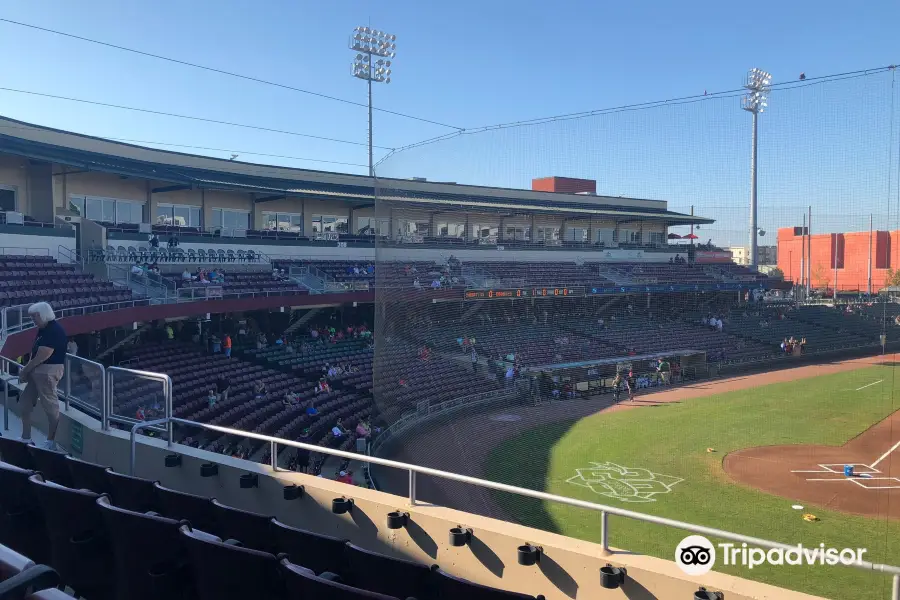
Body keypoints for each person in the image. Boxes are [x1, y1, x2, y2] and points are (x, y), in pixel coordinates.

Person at [18, 303, 67, 449]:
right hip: (37, 372)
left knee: (50, 408)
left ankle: (51, 441)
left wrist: (25, 370)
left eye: (35, 316)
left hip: (48, 372)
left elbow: (42, 355)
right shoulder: (42, 329)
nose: (33, 319)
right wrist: (28, 371)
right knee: (24, 403)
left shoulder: (54, 330)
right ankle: (26, 437)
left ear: (43, 314)